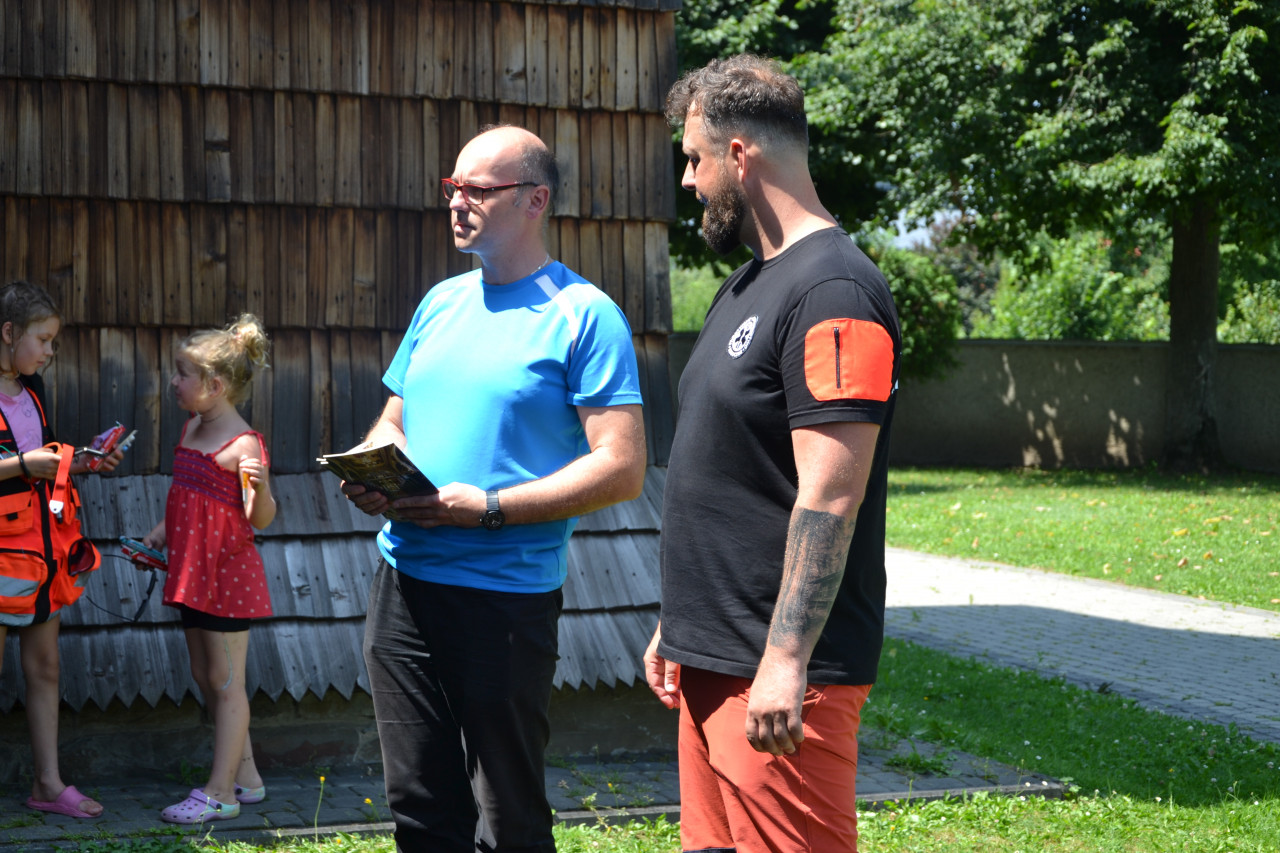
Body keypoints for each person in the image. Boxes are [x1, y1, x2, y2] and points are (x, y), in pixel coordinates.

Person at [341, 124, 646, 852]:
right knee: (418, 804)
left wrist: (490, 509)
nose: (457, 202)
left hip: (504, 597)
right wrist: (376, 467)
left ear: (535, 200)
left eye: (479, 189)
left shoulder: (584, 315)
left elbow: (622, 466)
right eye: (453, 187)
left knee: (508, 814)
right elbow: (396, 417)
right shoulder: (441, 302)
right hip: (404, 584)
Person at [643, 55, 902, 852]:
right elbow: (727, 467)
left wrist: (786, 656)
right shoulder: (747, 285)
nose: (689, 181)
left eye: (695, 159)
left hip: (780, 679)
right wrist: (679, 627)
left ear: (740, 154)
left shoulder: (836, 292)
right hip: (712, 661)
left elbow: (831, 494)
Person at [141, 314, 277, 824]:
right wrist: (163, 530)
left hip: (226, 578)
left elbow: (260, 518)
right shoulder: (192, 427)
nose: (173, 382)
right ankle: (248, 779)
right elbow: (189, 495)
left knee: (225, 683)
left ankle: (220, 794)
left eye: (182, 374)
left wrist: (261, 488)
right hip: (191, 573)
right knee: (205, 674)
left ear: (214, 386)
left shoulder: (243, 446)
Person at [0, 280, 124, 820]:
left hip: (41, 554)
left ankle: (47, 784)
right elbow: (25, 464)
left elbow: (41, 459)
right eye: (43, 339)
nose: (50, 351)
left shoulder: (33, 392)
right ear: (9, 332)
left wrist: (83, 461)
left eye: (53, 341)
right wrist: (26, 465)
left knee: (46, 667)